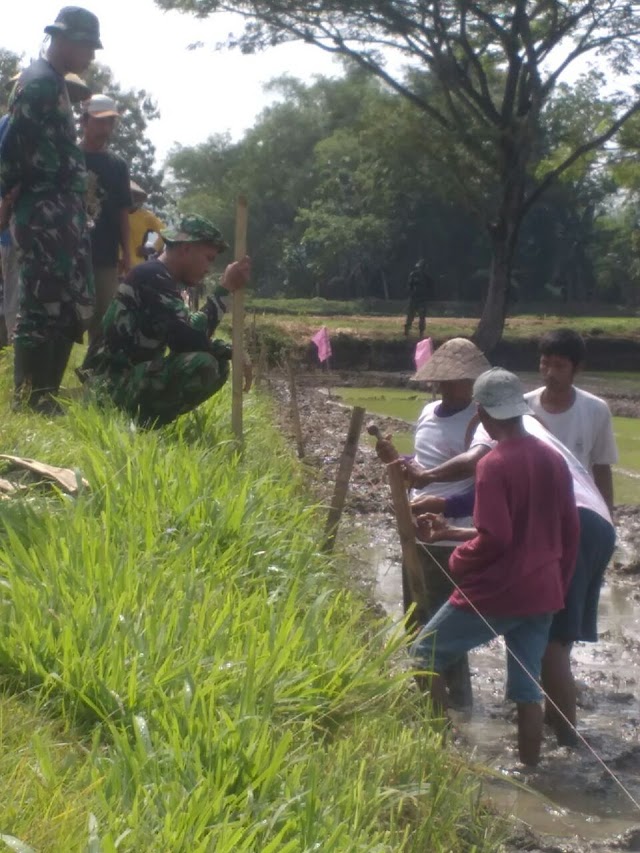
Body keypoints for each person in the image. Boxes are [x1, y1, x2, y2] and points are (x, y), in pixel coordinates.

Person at [411, 369, 579, 766]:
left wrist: (458, 557)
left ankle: (440, 755)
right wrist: (559, 583)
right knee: (526, 688)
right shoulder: (553, 459)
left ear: (482, 414)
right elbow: (569, 529)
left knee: (424, 654)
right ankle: (530, 772)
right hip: (544, 590)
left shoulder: (494, 464)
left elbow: (496, 537)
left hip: (500, 590)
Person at [376, 337, 490, 709]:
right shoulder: (427, 412)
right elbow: (423, 465)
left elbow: (484, 488)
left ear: (472, 381)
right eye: (443, 380)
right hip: (417, 532)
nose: (447, 386)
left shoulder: (480, 421)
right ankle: (424, 699)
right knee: (415, 618)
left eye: (457, 380)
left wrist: (442, 502)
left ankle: (457, 707)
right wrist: (399, 460)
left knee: (446, 629)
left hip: (453, 537)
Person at [0, 6, 102, 412]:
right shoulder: (39, 83)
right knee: (40, 305)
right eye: (87, 46)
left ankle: (45, 395)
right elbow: (10, 153)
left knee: (67, 303)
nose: (91, 56)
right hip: (43, 214)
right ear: (64, 39)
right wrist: (7, 200)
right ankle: (27, 399)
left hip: (63, 214)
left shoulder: (55, 84)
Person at [83, 214, 251, 427]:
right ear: (186, 249)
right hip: (108, 386)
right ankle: (135, 422)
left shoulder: (168, 282)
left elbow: (189, 330)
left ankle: (143, 424)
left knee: (217, 363)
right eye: (208, 258)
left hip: (127, 378)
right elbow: (189, 339)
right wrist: (224, 290)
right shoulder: (152, 276)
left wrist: (227, 350)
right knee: (203, 365)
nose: (209, 268)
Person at [0, 72, 91, 344]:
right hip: (22, 228)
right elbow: (10, 172)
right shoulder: (15, 124)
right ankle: (20, 368)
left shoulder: (57, 132)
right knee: (23, 300)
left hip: (45, 230)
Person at [525, 329, 618, 512]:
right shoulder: (521, 406)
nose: (550, 373)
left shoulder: (596, 410)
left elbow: (601, 467)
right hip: (531, 509)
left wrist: (608, 518)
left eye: (559, 366)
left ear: (577, 368)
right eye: (545, 363)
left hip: (577, 510)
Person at [80, 93, 132, 364]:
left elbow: (123, 213)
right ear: (84, 122)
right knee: (68, 315)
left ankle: (92, 373)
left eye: (110, 123)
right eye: (100, 122)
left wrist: (128, 254)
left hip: (105, 255)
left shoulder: (117, 166)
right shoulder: (70, 159)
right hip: (71, 252)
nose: (105, 129)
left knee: (103, 317)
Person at [127, 181, 164, 267]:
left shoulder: (145, 216)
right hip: (113, 265)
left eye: (132, 195)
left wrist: (152, 249)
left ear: (136, 197)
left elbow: (165, 233)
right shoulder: (113, 214)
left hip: (136, 265)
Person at [404, 259, 433, 338]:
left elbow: (430, 288)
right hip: (414, 299)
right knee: (410, 315)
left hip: (422, 300)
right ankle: (407, 331)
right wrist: (411, 294)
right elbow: (409, 286)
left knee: (422, 317)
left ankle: (421, 333)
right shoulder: (413, 275)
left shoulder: (427, 277)